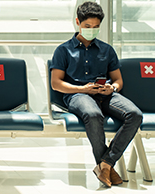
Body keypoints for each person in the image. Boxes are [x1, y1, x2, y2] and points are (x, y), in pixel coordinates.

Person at [50, 1, 142, 188]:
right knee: (93, 115)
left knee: (135, 115)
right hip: (77, 95)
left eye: (96, 27)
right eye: (87, 26)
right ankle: (106, 166)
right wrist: (82, 89)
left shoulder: (107, 50)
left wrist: (113, 88)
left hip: (105, 94)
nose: (92, 30)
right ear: (78, 22)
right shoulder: (63, 50)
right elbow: (56, 83)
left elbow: (118, 80)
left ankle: (106, 164)